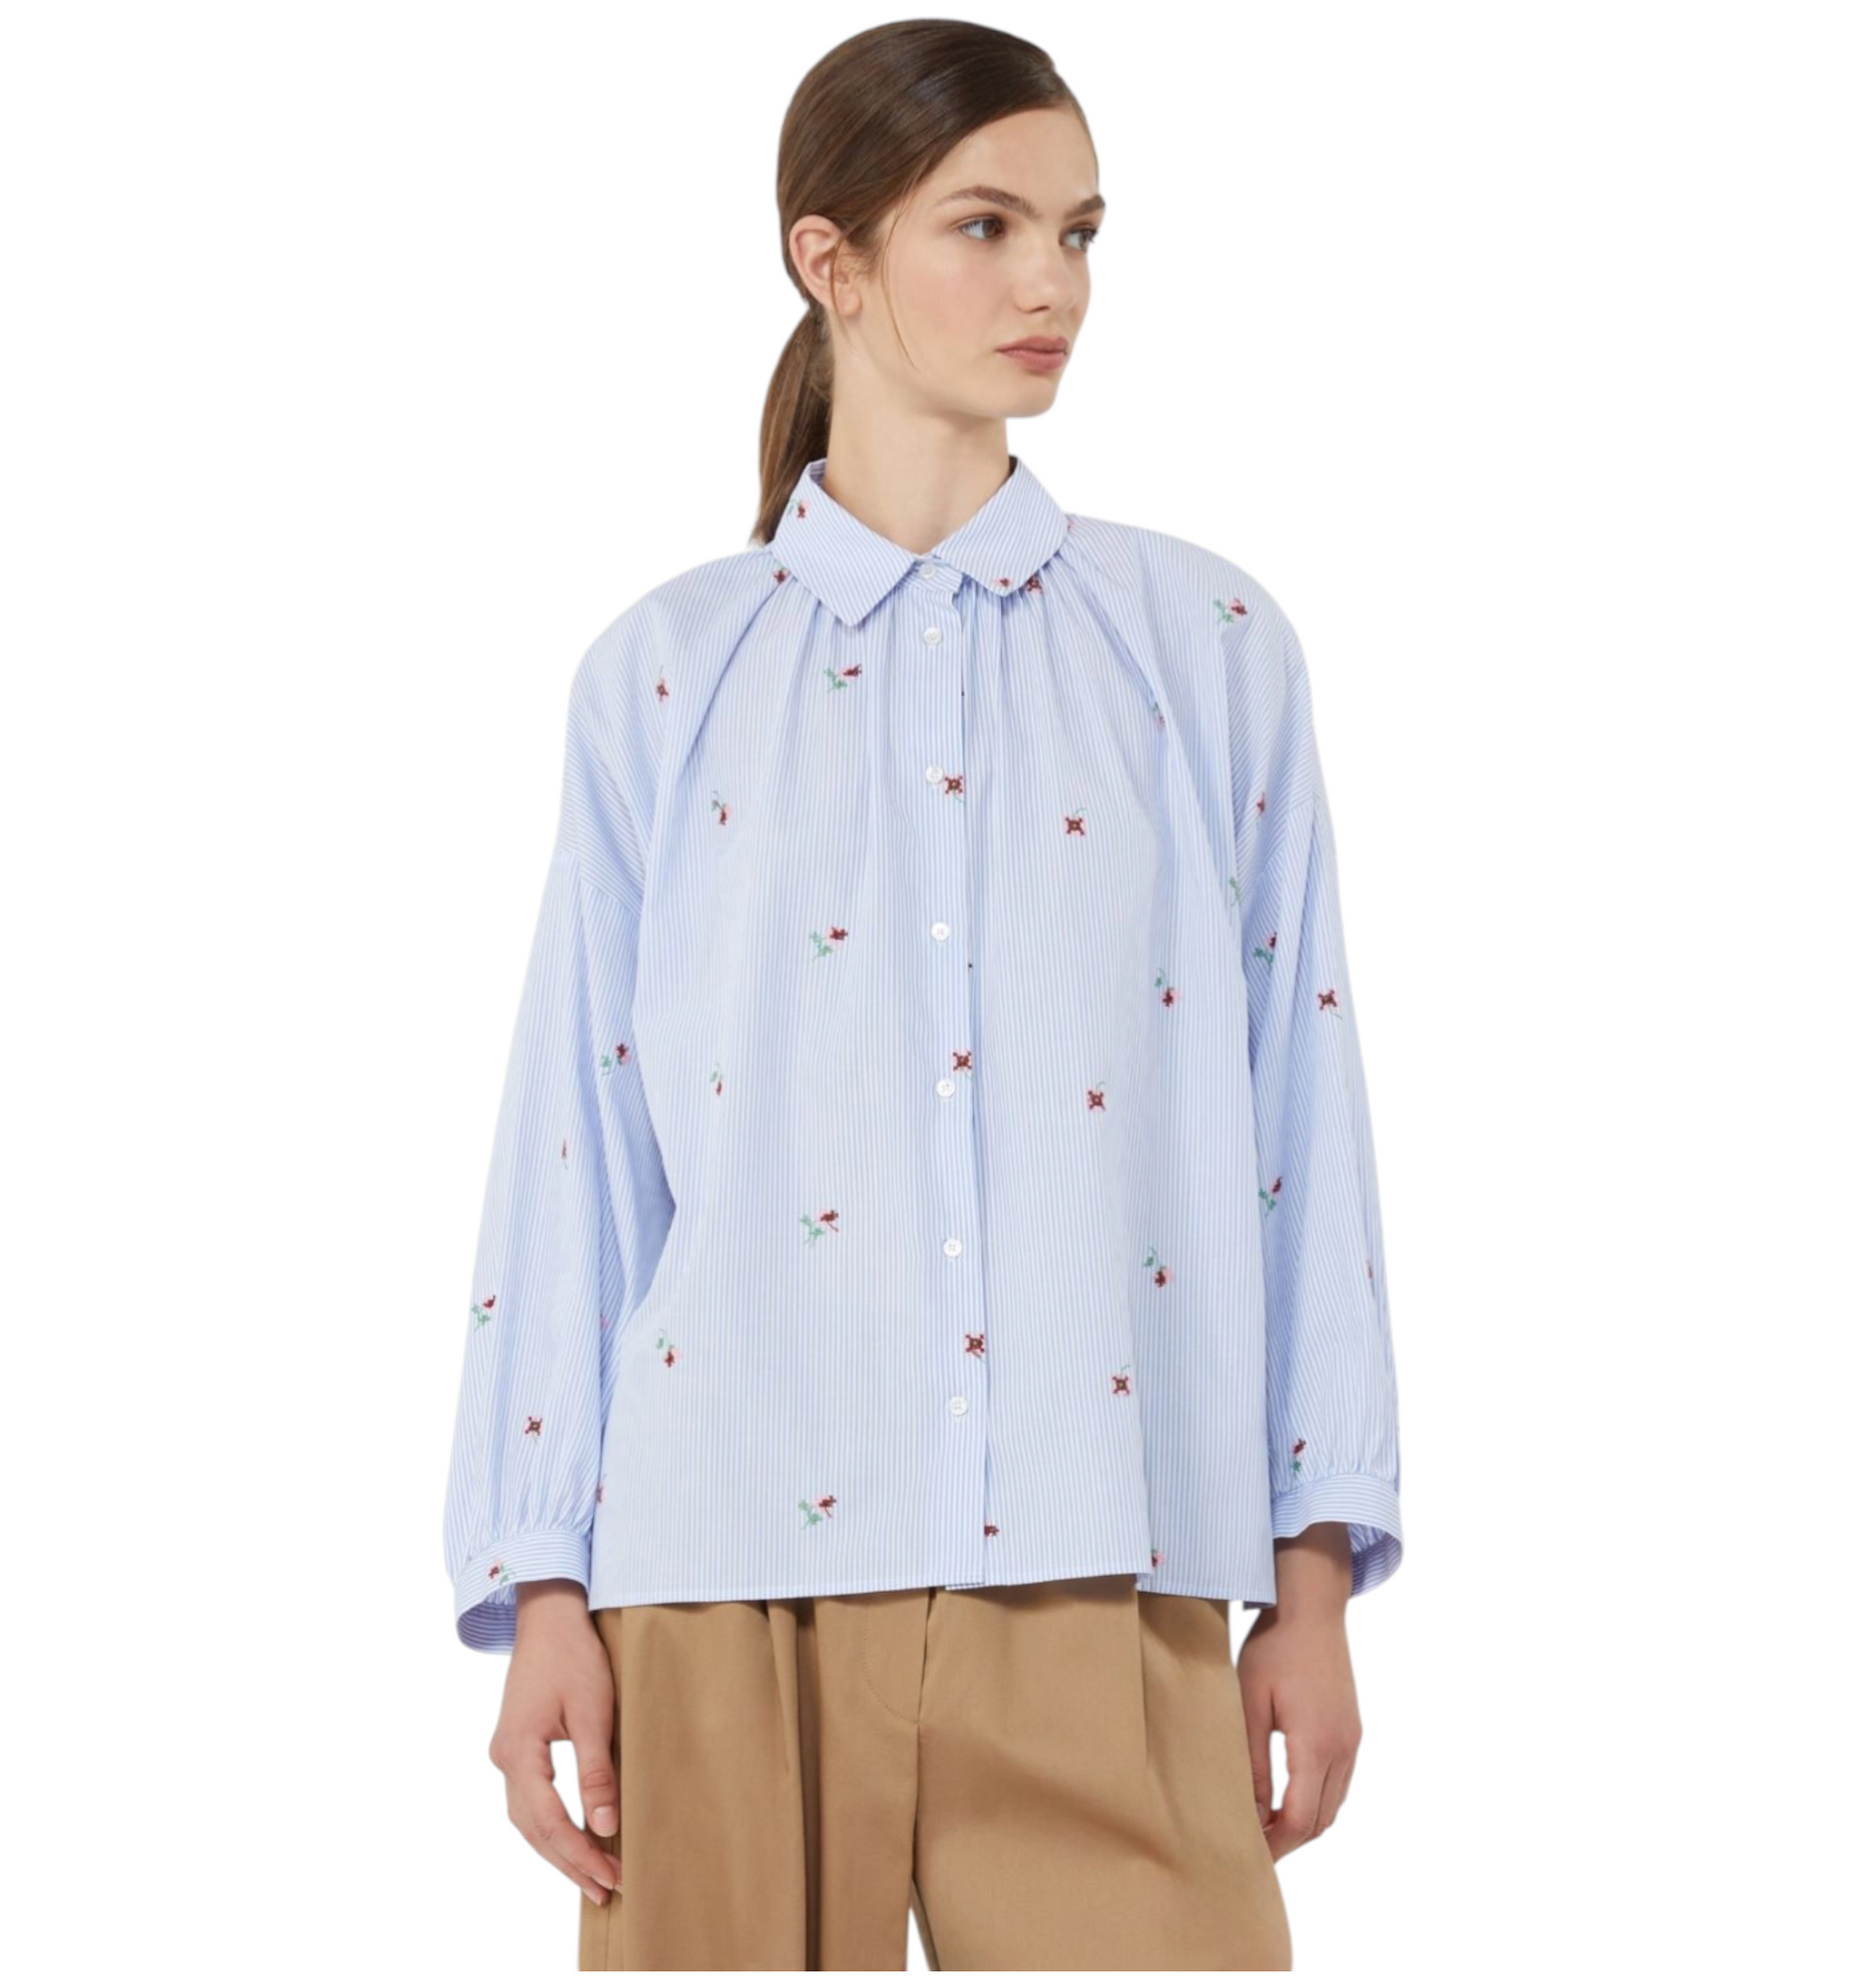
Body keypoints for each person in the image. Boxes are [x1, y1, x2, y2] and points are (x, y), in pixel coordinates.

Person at [442, 19, 1403, 1971]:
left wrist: (1311, 1575)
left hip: (1102, 1547)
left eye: (1081, 231)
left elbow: (1301, 1125)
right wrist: (542, 1580)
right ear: (832, 259)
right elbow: (579, 1143)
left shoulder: (1206, 646)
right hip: (718, 1568)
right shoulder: (665, 675)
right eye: (987, 225)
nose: (1054, 283)